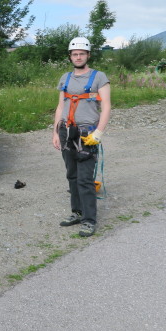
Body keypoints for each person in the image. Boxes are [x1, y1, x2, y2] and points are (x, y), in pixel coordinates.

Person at [52, 37, 111, 237]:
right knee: (72, 176)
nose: (78, 57)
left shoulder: (99, 77)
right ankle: (76, 213)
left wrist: (99, 133)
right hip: (67, 131)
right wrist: (55, 132)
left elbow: (106, 107)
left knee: (85, 179)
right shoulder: (65, 78)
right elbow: (60, 106)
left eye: (81, 54)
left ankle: (89, 220)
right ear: (70, 57)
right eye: (75, 54)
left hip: (87, 134)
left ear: (88, 55)